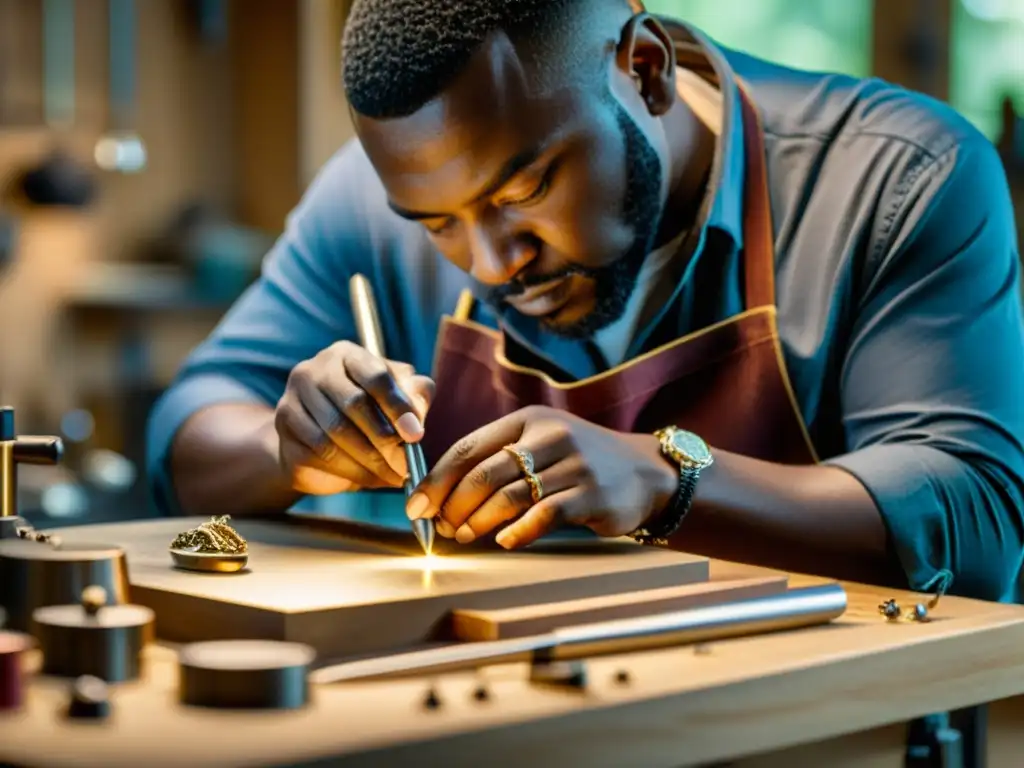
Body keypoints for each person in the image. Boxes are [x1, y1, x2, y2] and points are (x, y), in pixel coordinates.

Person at [147, 0, 1024, 602]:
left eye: (524, 188)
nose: (492, 261)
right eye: (437, 224)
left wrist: (660, 478)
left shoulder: (898, 176)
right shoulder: (370, 201)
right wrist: (284, 445)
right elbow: (187, 428)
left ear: (645, 70)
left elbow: (974, 512)